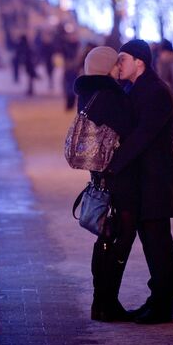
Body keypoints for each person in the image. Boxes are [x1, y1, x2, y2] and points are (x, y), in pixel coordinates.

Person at [107, 39, 173, 324]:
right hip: (143, 179)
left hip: (156, 179)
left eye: (122, 59)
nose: (118, 65)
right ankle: (157, 300)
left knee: (158, 243)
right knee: (151, 242)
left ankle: (163, 305)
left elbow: (142, 136)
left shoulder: (155, 92)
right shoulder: (135, 89)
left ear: (139, 62)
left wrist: (113, 164)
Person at [73, 46, 138, 323]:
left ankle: (100, 302)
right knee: (120, 238)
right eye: (115, 64)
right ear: (105, 67)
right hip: (119, 178)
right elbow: (130, 129)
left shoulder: (87, 94)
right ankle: (107, 302)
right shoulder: (111, 95)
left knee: (105, 237)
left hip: (98, 177)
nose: (118, 69)